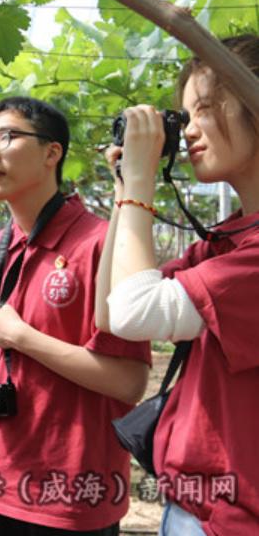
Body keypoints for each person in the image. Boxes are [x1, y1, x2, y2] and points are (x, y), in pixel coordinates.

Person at [0, 97, 151, 535]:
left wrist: (22, 337)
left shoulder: (100, 245)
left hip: (74, 493)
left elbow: (128, 381)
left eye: (6, 137)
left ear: (52, 152)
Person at [97, 34, 259, 535]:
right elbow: (111, 313)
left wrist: (142, 184)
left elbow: (135, 312)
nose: (187, 131)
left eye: (205, 109)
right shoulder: (227, 240)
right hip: (194, 504)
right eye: (185, 115)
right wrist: (125, 188)